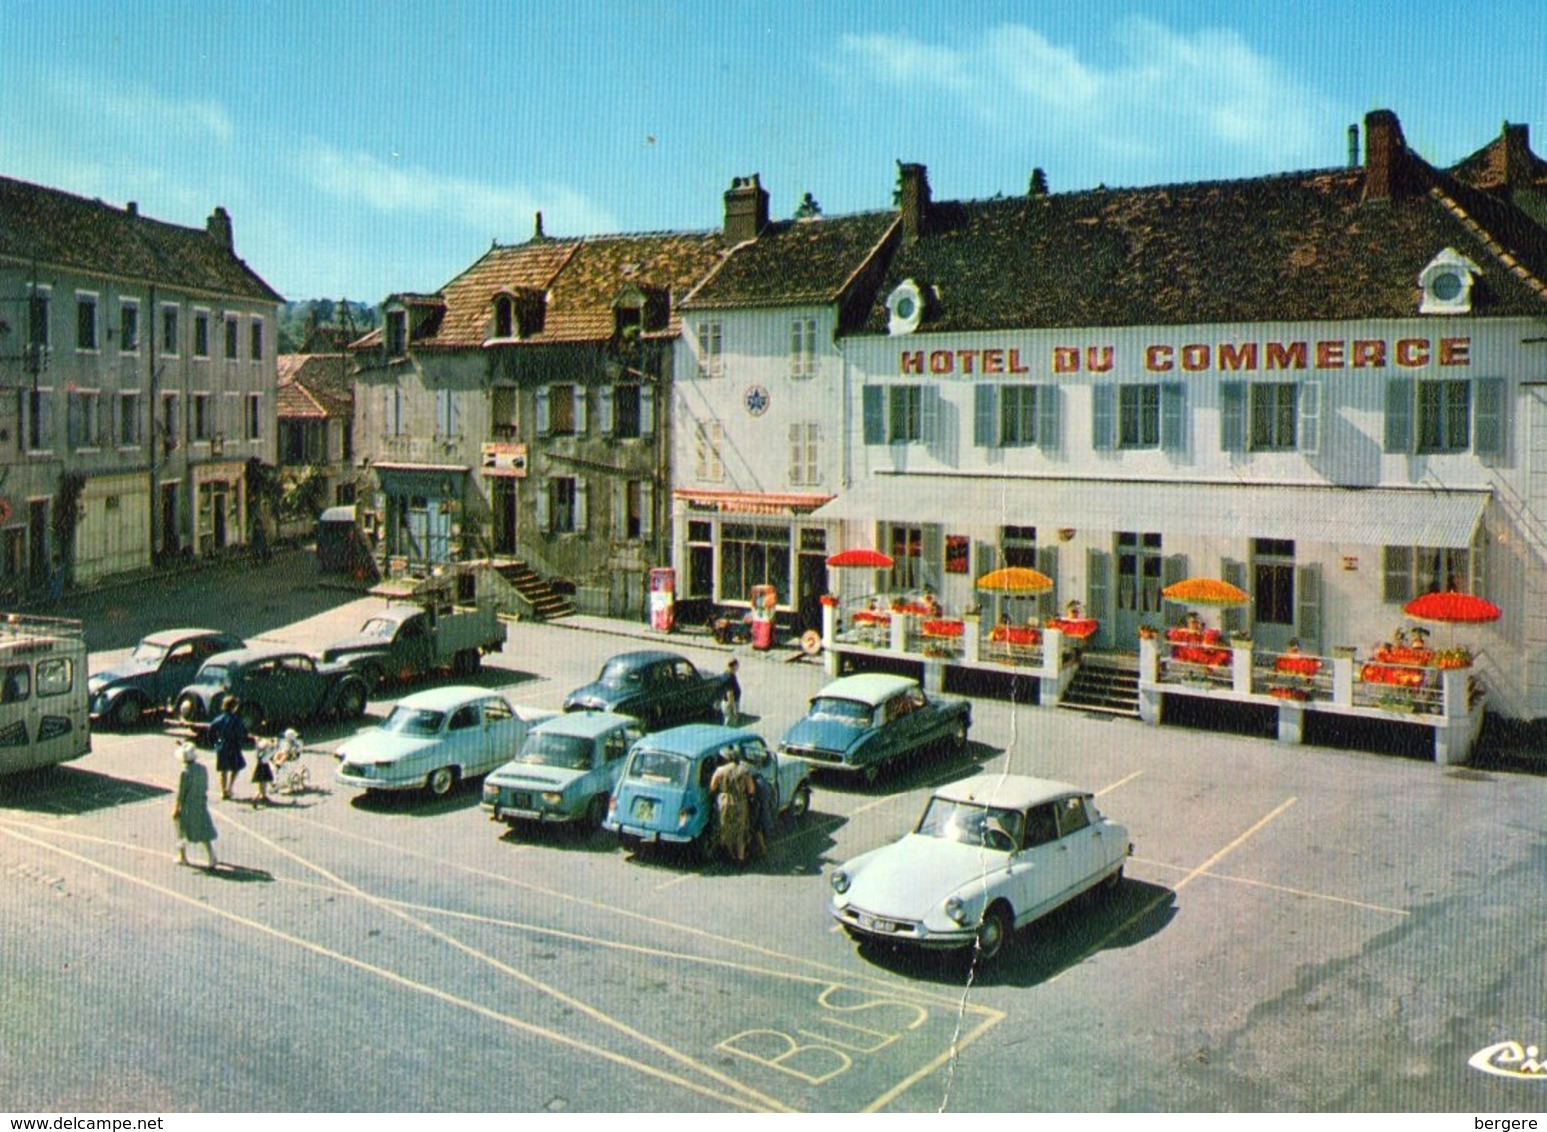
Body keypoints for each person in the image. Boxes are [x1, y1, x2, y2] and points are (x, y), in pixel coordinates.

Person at [172, 741, 218, 870]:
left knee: (181, 830)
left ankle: (182, 856)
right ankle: (211, 856)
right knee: (204, 830)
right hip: (200, 801)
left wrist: (176, 808)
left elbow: (181, 793)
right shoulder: (202, 769)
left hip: (187, 804)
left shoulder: (184, 772)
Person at [709, 752, 754, 865]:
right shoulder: (744, 771)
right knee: (740, 829)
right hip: (740, 801)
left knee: (724, 827)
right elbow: (751, 789)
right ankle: (740, 857)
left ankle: (726, 854)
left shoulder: (720, 771)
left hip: (724, 801)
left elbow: (712, 787)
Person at [208, 695, 249, 801]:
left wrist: (216, 745)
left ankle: (223, 791)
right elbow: (243, 732)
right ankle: (230, 787)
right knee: (236, 767)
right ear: (234, 707)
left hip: (222, 745)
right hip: (233, 745)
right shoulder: (236, 720)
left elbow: (211, 733)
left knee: (223, 769)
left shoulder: (218, 719)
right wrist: (241, 742)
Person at [250, 739, 275, 805]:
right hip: (265, 766)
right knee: (264, 781)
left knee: (261, 782)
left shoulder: (258, 750)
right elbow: (272, 751)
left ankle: (263, 795)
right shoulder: (267, 748)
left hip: (260, 765)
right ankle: (257, 797)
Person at [721, 658, 742, 727]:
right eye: (737, 666)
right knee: (731, 722)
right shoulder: (730, 677)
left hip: (726, 702)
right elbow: (730, 694)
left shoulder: (726, 674)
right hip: (730, 703)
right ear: (733, 666)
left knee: (728, 720)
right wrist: (733, 710)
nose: (737, 668)